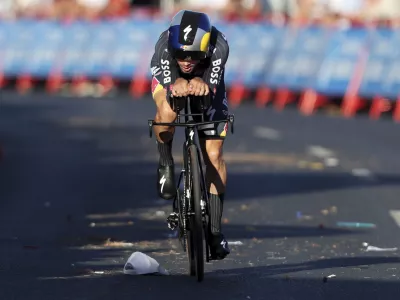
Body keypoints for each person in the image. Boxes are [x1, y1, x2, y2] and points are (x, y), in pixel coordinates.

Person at [150, 9, 230, 260]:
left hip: (207, 80)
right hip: (169, 78)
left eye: (193, 55)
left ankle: (215, 232)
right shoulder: (165, 45)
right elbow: (171, 81)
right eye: (181, 54)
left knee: (214, 155)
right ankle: (165, 161)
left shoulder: (219, 47)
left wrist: (202, 82)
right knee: (168, 110)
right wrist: (178, 81)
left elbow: (211, 84)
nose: (186, 59)